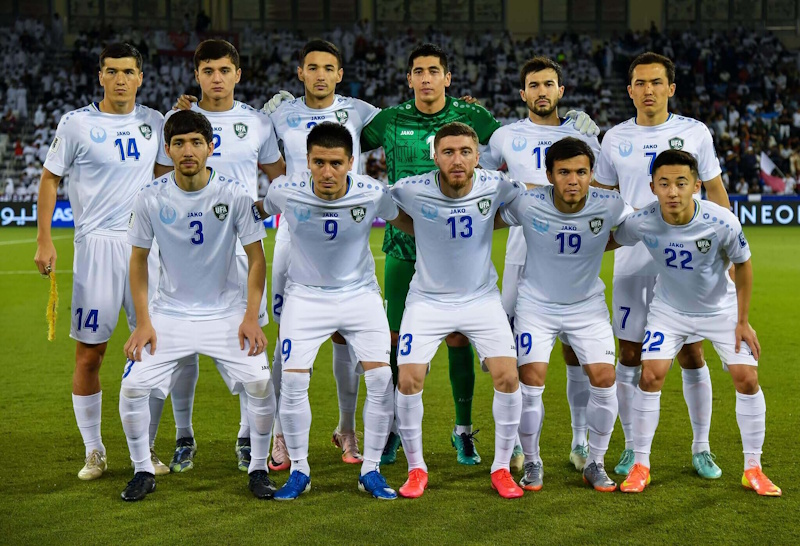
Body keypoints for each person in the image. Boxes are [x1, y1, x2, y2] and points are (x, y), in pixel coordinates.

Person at [120, 110, 276, 501]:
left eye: (195, 142)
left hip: (225, 313)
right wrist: (143, 321)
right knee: (133, 388)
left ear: (210, 147)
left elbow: (256, 260)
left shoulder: (235, 194)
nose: (187, 151)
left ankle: (258, 468)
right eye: (178, 143)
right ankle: (142, 470)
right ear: (168, 149)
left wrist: (250, 316)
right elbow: (138, 261)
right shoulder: (150, 197)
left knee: (260, 383)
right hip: (169, 314)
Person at [360, 43, 503, 466]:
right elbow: (341, 139)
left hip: (459, 249)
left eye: (434, 71)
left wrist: (568, 124)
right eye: (418, 71)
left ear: (447, 78)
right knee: (392, 342)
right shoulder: (389, 119)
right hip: (404, 247)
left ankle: (463, 431)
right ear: (409, 79)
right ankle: (391, 430)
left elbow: (516, 144)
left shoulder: (472, 116)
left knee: (458, 336)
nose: (426, 78)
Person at [255, 122, 413, 500]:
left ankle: (370, 469)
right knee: (291, 382)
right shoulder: (284, 191)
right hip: (305, 298)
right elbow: (255, 211)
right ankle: (300, 469)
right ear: (307, 161)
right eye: (319, 162)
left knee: (380, 381)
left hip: (360, 296)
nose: (327, 172)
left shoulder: (372, 192)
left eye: (336, 163)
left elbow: (407, 223)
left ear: (351, 162)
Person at [593, 52, 731, 478]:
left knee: (692, 351)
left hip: (688, 263)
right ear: (630, 89)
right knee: (630, 353)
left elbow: (716, 193)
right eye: (640, 82)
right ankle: (634, 449)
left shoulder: (695, 132)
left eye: (656, 82)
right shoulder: (614, 138)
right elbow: (601, 197)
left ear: (671, 88)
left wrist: (722, 259)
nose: (648, 90)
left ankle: (702, 447)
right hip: (634, 259)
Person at [611, 150, 780, 497]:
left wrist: (743, 321)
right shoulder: (643, 220)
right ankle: (641, 464)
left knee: (746, 378)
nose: (672, 191)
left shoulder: (721, 221)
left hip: (721, 310)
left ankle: (753, 468)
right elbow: (610, 239)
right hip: (669, 310)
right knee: (651, 374)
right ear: (653, 187)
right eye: (664, 183)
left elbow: (744, 266)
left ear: (696, 185)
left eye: (681, 183)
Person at [34, 43, 165, 481]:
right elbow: (50, 179)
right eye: (113, 71)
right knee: (90, 354)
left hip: (146, 248)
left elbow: (175, 171)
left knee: (155, 352)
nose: (121, 79)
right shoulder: (76, 123)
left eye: (129, 71)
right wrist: (45, 240)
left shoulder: (155, 122)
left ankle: (145, 449)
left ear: (141, 77)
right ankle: (94, 450)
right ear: (101, 75)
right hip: (96, 247)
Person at [156, 39, 285, 474]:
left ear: (237, 74)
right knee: (180, 347)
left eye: (224, 70)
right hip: (182, 247)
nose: (216, 78)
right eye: (208, 70)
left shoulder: (257, 122)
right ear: (197, 75)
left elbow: (279, 177)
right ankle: (183, 435)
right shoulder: (178, 120)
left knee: (250, 344)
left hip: (241, 246)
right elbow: (159, 179)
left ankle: (248, 438)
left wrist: (270, 206)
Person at [263, 39, 381, 470]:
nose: (319, 74)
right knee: (287, 340)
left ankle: (346, 428)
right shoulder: (279, 113)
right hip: (295, 233)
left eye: (328, 67)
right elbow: (229, 127)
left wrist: (459, 108)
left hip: (346, 233)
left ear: (339, 73)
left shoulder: (361, 111)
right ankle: (280, 431)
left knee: (346, 337)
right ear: (300, 73)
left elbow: (416, 118)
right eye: (311, 67)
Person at [391, 122, 524, 499]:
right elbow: (384, 208)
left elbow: (524, 200)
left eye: (465, 151)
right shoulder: (411, 188)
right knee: (409, 379)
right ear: (435, 156)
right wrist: (420, 226)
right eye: (448, 152)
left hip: (481, 299)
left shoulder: (497, 185)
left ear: (478, 157)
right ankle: (416, 467)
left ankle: (501, 468)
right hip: (427, 300)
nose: (457, 159)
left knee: (507, 377)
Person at [481, 56, 601, 472]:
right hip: (521, 251)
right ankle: (515, 443)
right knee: (512, 351)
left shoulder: (582, 134)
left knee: (576, 351)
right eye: (534, 85)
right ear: (523, 93)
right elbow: (478, 176)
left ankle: (580, 440)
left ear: (561, 91)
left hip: (574, 254)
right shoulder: (504, 136)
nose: (542, 91)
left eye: (549, 84)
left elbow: (600, 187)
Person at [495, 137, 626, 492]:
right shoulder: (527, 202)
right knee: (532, 381)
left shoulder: (610, 203)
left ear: (591, 174)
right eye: (564, 172)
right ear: (550, 175)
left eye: (582, 172)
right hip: (536, 306)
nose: (574, 180)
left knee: (604, 378)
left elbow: (632, 230)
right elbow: (488, 221)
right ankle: (533, 462)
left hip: (587, 306)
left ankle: (595, 462)